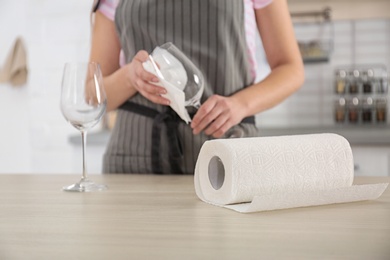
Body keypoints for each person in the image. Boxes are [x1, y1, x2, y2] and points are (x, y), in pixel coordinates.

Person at [90, 0, 304, 174]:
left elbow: (291, 69)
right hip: (135, 159)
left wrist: (241, 104)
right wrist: (130, 77)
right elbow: (92, 93)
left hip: (227, 152)